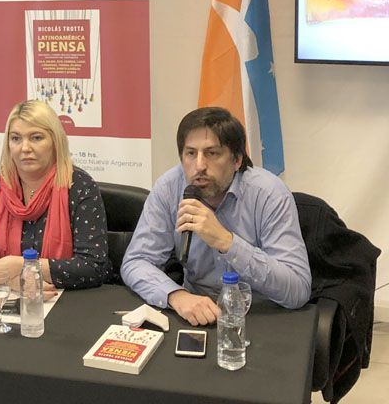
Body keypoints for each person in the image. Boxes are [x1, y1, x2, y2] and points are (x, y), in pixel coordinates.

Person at [121, 107, 311, 326]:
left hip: (261, 316)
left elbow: (298, 290)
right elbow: (137, 261)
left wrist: (226, 242)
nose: (199, 166)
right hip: (196, 312)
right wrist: (176, 295)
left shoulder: (269, 194)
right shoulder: (169, 187)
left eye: (212, 153)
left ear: (237, 160)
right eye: (191, 153)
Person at [0, 100, 109, 295]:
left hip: (66, 299)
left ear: (55, 141)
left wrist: (22, 266)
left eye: (36, 138)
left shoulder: (80, 186)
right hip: (5, 296)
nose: (25, 148)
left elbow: (93, 267)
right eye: (16, 138)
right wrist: (16, 282)